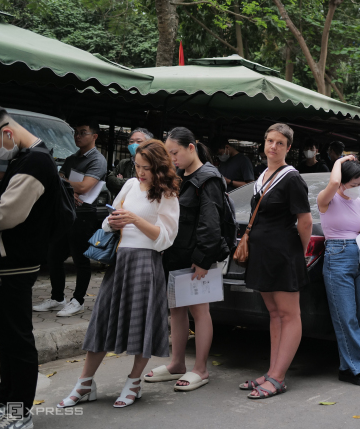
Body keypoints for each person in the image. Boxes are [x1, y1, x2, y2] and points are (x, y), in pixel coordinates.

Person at [59, 140, 180, 409]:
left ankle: (133, 382)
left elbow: (166, 239)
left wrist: (136, 220)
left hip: (147, 262)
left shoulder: (168, 194)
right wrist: (111, 222)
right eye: (137, 166)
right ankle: (84, 383)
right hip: (120, 261)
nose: (140, 172)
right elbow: (108, 219)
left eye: (146, 168)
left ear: (159, 167)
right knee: (102, 321)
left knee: (142, 324)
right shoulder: (129, 185)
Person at [0, 104, 61, 428]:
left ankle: (19, 412)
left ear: (6, 132)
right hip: (2, 264)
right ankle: (5, 402)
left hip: (15, 265)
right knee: (4, 337)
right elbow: (3, 205)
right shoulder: (24, 159)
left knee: (17, 339)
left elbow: (8, 215)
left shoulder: (36, 161)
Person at [143, 128, 228, 392]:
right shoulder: (179, 176)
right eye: (168, 153)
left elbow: (211, 225)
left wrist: (203, 259)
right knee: (176, 310)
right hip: (175, 256)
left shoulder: (209, 179)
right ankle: (176, 363)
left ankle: (200, 369)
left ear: (191, 148)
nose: (171, 158)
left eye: (174, 152)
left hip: (196, 260)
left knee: (199, 312)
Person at [239, 123, 313, 399]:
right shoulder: (263, 176)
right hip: (262, 254)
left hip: (283, 254)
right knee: (273, 314)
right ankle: (271, 372)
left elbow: (305, 221)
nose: (273, 146)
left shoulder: (292, 179)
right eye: (269, 140)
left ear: (288, 148)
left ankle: (278, 377)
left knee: (289, 314)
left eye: (279, 143)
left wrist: (299, 254)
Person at [316, 155, 360, 386]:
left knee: (359, 314)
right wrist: (338, 161)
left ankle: (348, 368)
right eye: (354, 184)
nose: (357, 189)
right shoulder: (326, 200)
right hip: (337, 256)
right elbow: (332, 183)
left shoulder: (357, 202)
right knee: (345, 315)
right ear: (342, 181)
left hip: (359, 254)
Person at [35, 118, 107, 317]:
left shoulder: (97, 160)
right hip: (66, 212)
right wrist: (68, 185)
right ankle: (58, 298)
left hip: (83, 215)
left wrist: (66, 184)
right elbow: (55, 181)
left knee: (80, 259)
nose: (77, 136)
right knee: (54, 256)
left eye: (82, 132)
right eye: (76, 132)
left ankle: (79, 300)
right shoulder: (71, 158)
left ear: (94, 136)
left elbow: (84, 187)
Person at [106, 128, 153, 196]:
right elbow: (110, 181)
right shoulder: (124, 163)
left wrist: (120, 181)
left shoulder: (152, 164)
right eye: (131, 141)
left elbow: (143, 185)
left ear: (148, 144)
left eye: (139, 141)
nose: (134, 144)